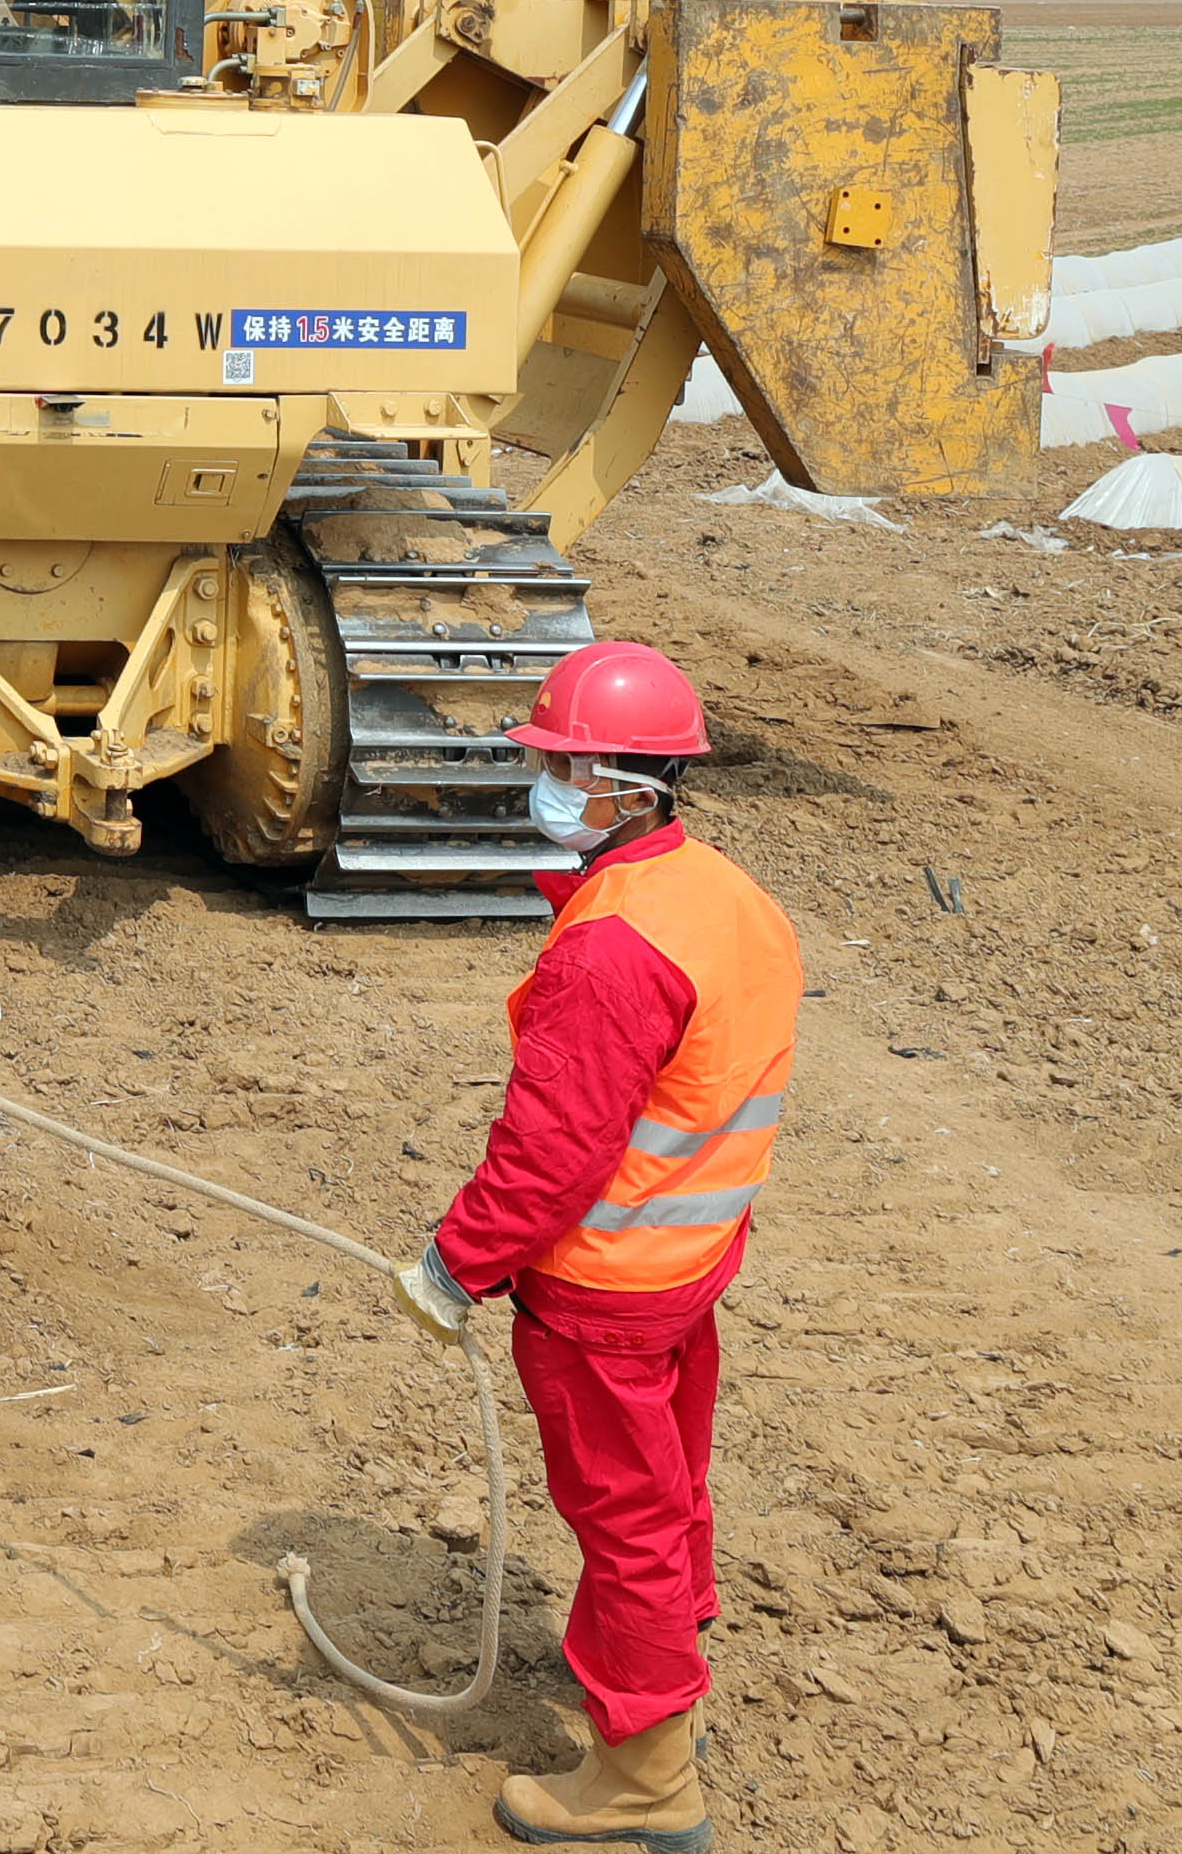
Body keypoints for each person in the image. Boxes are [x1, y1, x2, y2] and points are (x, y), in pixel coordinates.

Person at [395, 640, 798, 1852]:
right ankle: (669, 1696)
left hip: (603, 1296)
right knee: (668, 1501)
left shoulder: (615, 949)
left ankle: (645, 1782)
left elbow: (553, 1154)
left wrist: (455, 1262)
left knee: (622, 1520)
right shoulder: (719, 895)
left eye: (565, 764)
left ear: (635, 785)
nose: (547, 783)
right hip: (688, 1268)